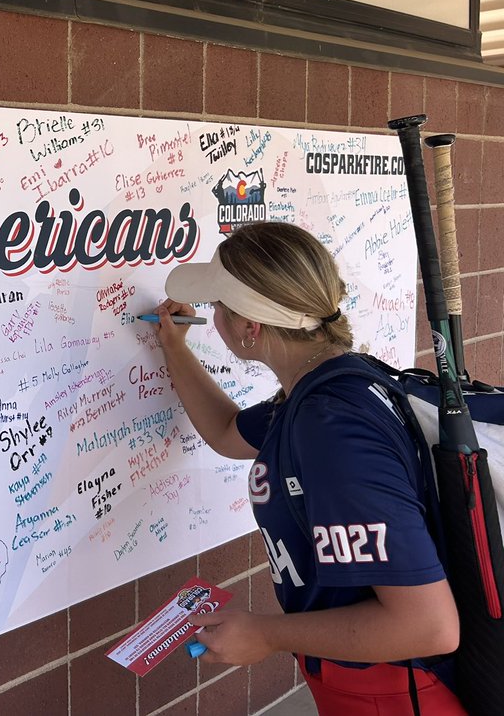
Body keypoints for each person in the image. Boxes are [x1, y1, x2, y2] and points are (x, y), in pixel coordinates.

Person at [151, 221, 463, 715]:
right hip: (368, 678)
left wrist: (266, 635)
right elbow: (230, 432)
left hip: (394, 689)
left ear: (250, 326)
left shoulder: (331, 427)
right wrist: (174, 348)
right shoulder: (329, 381)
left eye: (218, 309)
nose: (213, 320)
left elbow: (428, 626)